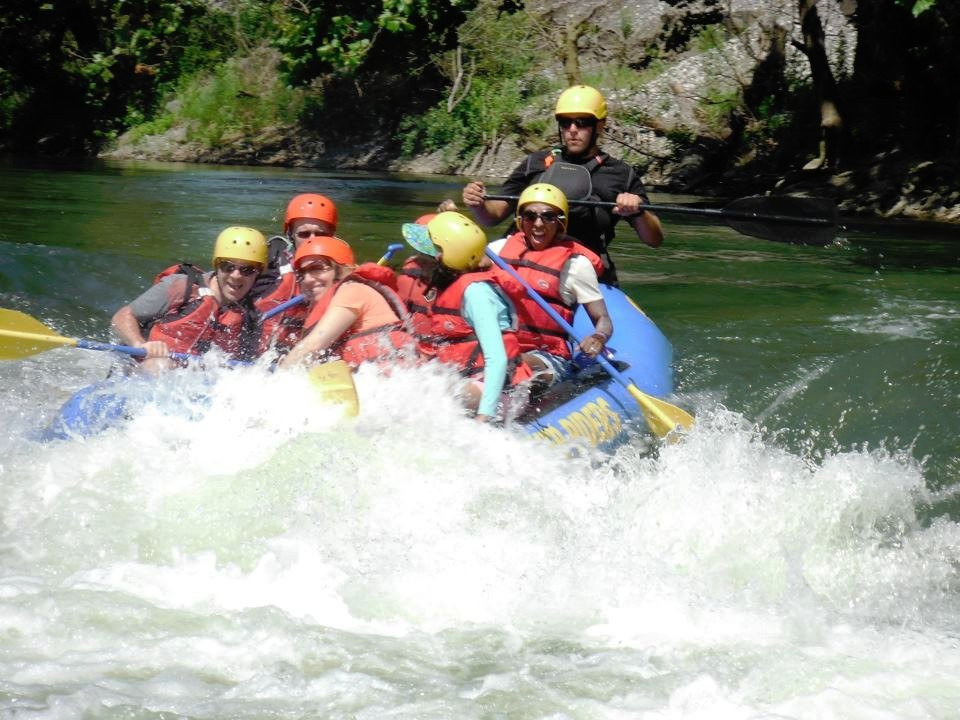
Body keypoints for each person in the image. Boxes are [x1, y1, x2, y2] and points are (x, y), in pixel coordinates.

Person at [462, 84, 663, 284]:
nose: (572, 130)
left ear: (599, 126)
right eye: (565, 123)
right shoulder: (536, 162)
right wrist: (478, 204)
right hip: (522, 265)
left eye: (582, 122)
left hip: (578, 269)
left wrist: (638, 212)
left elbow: (654, 239)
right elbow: (492, 216)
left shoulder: (621, 174)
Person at [399, 212, 531, 423]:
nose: (433, 256)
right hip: (470, 380)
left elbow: (497, 359)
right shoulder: (452, 286)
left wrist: (484, 416)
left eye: (436, 249)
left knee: (430, 393)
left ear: (449, 254)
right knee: (406, 381)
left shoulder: (476, 292)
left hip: (504, 392)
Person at [488, 183, 613, 390]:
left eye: (548, 217)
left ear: (560, 223)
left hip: (547, 356)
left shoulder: (576, 265)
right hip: (498, 347)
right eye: (530, 216)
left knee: (508, 364)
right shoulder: (496, 251)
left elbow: (603, 319)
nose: (538, 224)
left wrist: (598, 337)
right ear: (520, 220)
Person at [111, 226, 268, 373]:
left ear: (258, 273)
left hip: (193, 384)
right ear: (217, 265)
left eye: (247, 269)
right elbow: (122, 317)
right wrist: (141, 344)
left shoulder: (250, 316)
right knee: (161, 364)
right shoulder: (181, 287)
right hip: (141, 370)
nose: (236, 275)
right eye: (228, 266)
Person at [278, 235, 417, 370]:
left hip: (393, 380)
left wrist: (275, 381)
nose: (307, 279)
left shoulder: (352, 290)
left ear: (340, 269)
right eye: (302, 273)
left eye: (317, 268)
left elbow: (312, 346)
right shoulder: (333, 301)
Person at [253, 193, 339, 355]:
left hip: (315, 351)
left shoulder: (342, 267)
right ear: (291, 235)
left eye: (320, 234)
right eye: (304, 234)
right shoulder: (270, 263)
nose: (312, 240)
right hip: (267, 354)